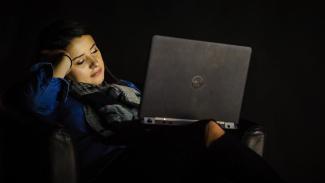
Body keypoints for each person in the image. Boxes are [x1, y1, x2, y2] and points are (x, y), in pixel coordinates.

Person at [2, 19, 285, 183]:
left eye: (94, 50)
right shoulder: (60, 99)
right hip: (116, 167)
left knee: (211, 142)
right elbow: (30, 100)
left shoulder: (125, 88)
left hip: (153, 151)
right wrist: (59, 61)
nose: (94, 62)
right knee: (207, 132)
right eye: (79, 60)